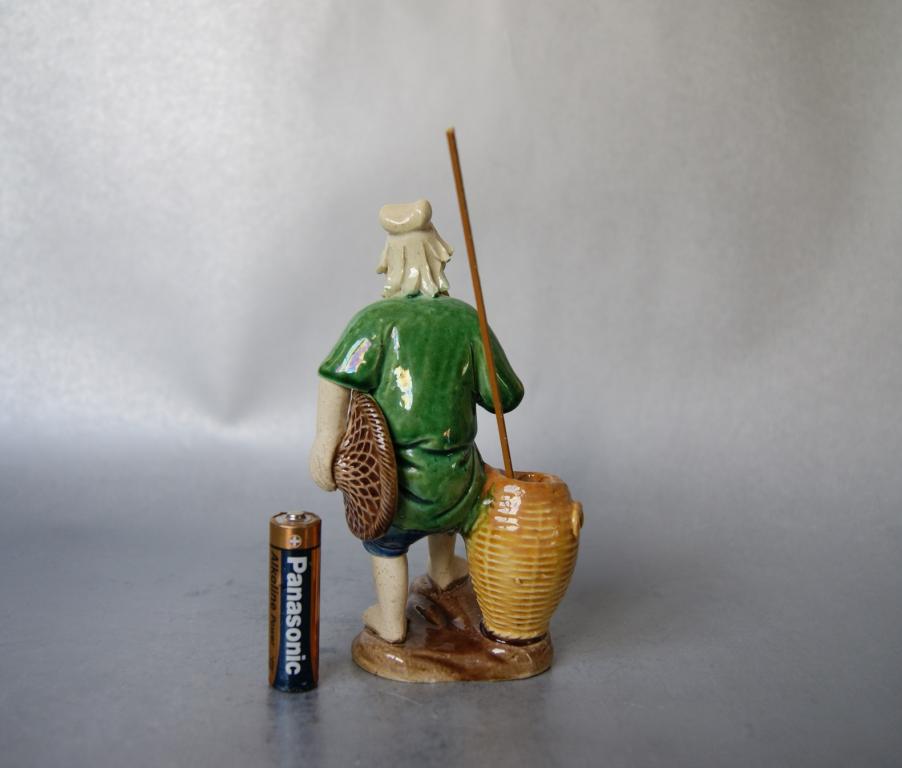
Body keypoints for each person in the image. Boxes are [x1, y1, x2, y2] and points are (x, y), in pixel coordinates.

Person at [309, 199, 523, 643]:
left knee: (386, 543)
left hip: (393, 482)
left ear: (389, 261)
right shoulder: (465, 319)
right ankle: (444, 567)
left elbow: (334, 378)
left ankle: (392, 619)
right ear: (438, 256)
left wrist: (326, 439)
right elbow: (505, 395)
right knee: (455, 506)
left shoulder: (373, 321)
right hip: (458, 480)